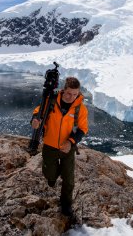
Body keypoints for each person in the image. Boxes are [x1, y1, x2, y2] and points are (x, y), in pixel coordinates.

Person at [31, 76, 88, 216]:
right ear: (63, 90)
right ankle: (52, 176)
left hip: (68, 147)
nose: (72, 97)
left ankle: (66, 204)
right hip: (50, 145)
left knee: (69, 179)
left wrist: (71, 142)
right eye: (69, 93)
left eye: (75, 94)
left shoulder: (80, 108)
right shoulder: (51, 101)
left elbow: (82, 129)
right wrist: (34, 120)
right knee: (49, 173)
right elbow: (38, 113)